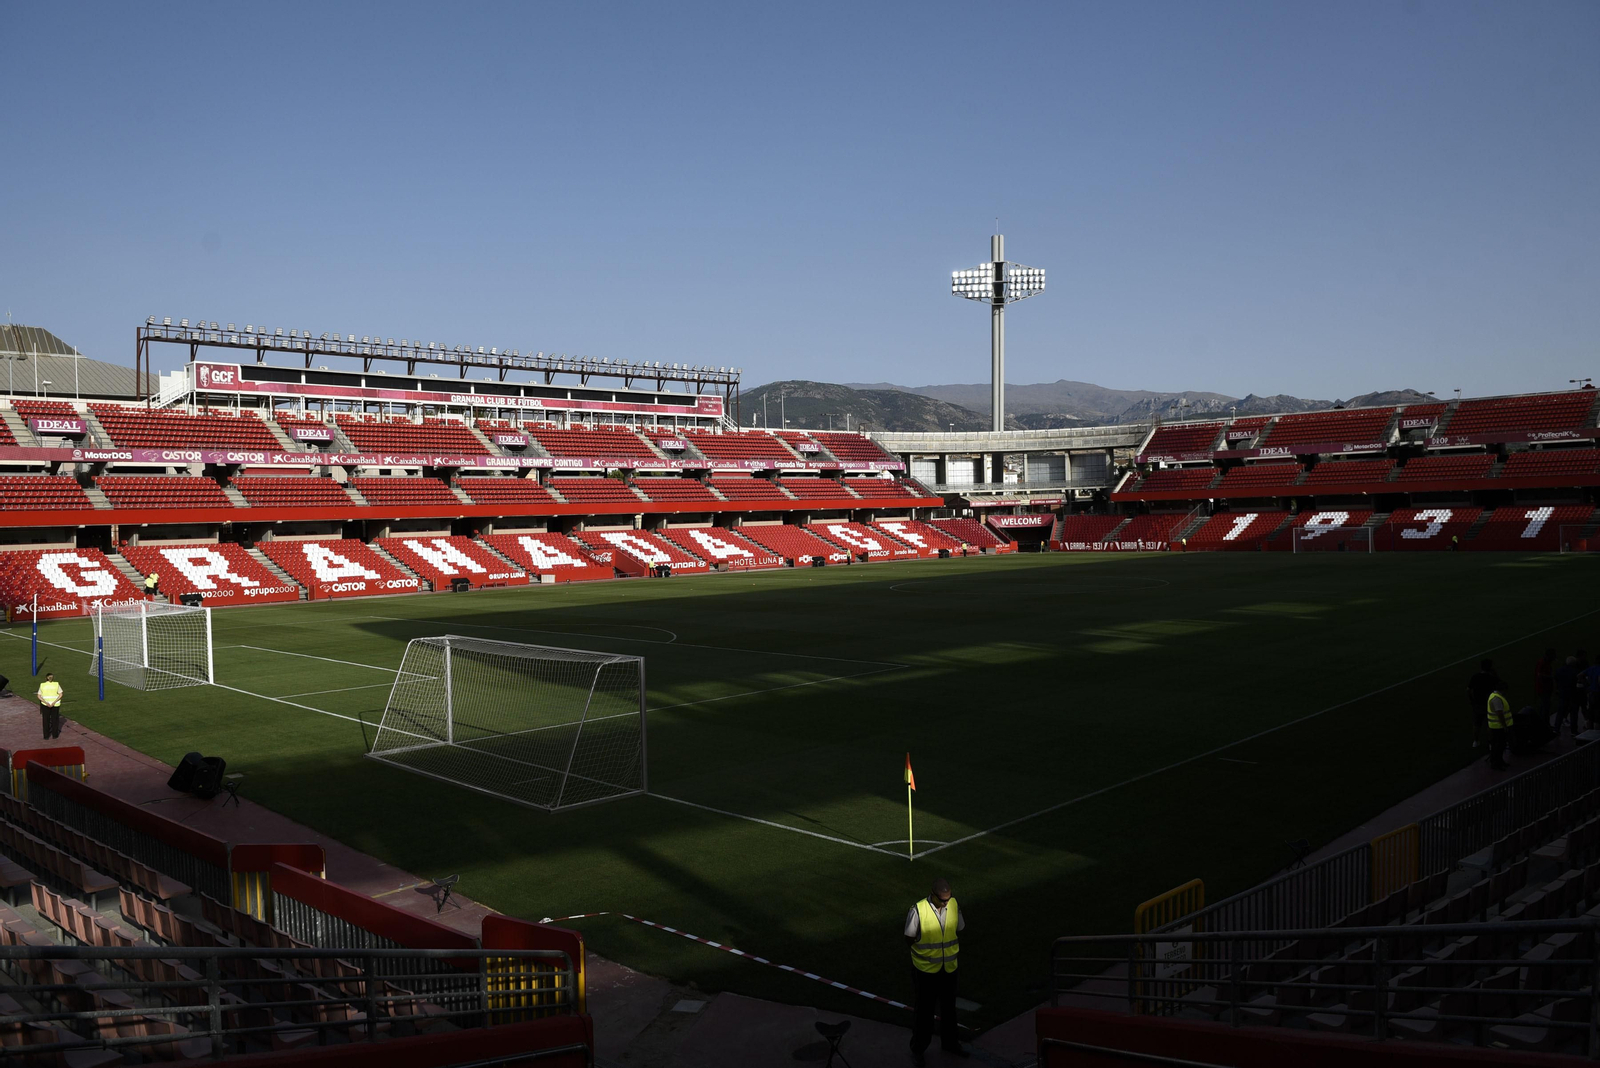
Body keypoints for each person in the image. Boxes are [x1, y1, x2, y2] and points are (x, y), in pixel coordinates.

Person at [905, 877, 967, 1065]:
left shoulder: (954, 904)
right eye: (942, 900)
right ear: (932, 895)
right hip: (925, 972)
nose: (946, 903)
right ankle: (918, 1049)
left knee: (949, 1010)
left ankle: (950, 1043)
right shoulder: (918, 909)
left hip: (949, 968)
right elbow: (909, 937)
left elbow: (960, 927)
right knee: (924, 1013)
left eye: (948, 899)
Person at [1467, 659, 1500, 749]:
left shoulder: (1475, 677)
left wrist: (1471, 700)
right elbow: (1499, 685)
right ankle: (1490, 743)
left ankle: (1475, 741)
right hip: (1488, 704)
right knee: (1489, 724)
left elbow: (1468, 690)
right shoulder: (1491, 678)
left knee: (1477, 724)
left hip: (1477, 703)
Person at [1486, 686, 1511, 771]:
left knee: (1498, 745)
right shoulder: (1497, 699)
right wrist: (1504, 725)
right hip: (1498, 727)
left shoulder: (1494, 696)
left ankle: (1499, 761)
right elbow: (1499, 713)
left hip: (1495, 726)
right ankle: (1496, 763)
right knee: (1498, 746)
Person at [1554, 656, 1580, 738]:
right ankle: (1574, 731)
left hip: (1563, 693)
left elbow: (1556, 680)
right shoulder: (1575, 671)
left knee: (1560, 712)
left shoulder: (1559, 670)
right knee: (1573, 713)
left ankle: (1556, 729)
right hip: (1573, 694)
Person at [36, 673, 64, 740]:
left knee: (46, 720)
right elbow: (61, 694)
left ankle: (46, 736)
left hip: (45, 705)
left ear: (46, 678)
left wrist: (46, 702)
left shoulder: (42, 685)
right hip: (55, 704)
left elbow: (39, 695)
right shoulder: (56, 684)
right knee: (55, 720)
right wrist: (54, 702)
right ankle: (55, 735)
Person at [1535, 648, 1557, 725]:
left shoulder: (1545, 662)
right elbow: (1540, 675)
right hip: (1543, 689)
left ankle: (1542, 723)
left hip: (1545, 688)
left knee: (1544, 706)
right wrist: (1551, 677)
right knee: (1545, 707)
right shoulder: (1543, 663)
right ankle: (1545, 724)